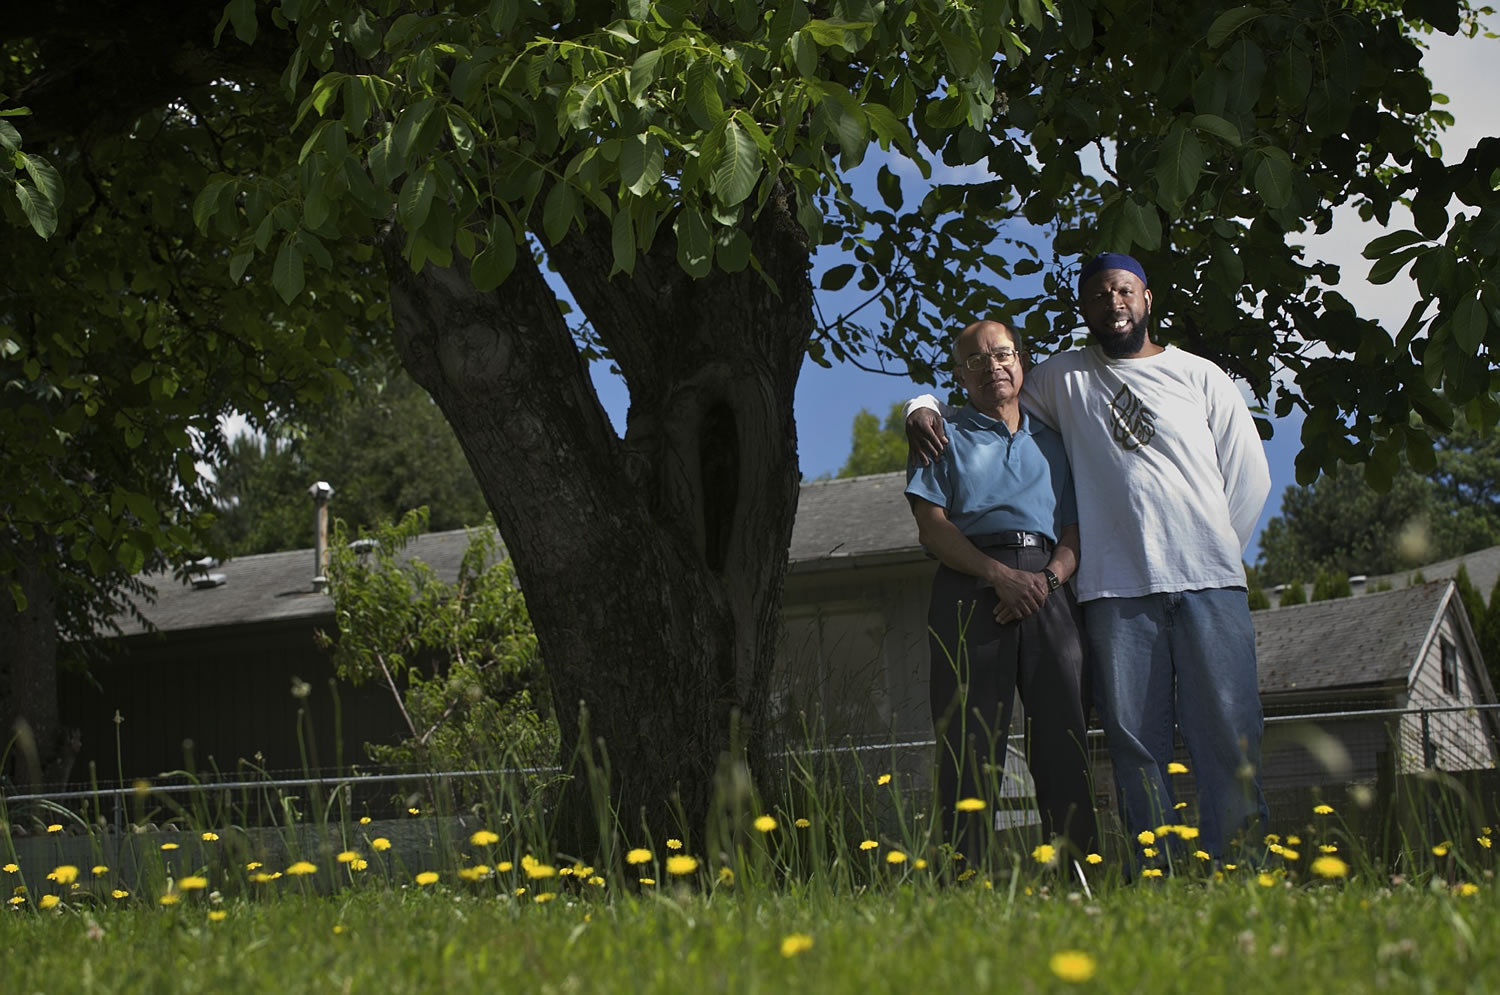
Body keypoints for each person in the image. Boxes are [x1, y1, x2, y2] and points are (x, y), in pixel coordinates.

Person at [905, 253, 1271, 863]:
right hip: (1112, 593)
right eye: (1099, 295)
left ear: (1147, 299)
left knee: (1226, 734)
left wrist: (1209, 551)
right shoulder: (1062, 379)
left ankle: (1242, 871)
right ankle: (1153, 875)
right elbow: (985, 387)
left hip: (1200, 581)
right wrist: (919, 403)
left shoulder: (1201, 375)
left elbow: (1247, 479)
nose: (1113, 302)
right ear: (1085, 309)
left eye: (1124, 291)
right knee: (1132, 744)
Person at [906, 318, 1097, 869]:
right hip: (971, 586)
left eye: (1003, 354)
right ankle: (965, 884)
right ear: (960, 376)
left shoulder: (1055, 441)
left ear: (1022, 360)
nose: (993, 367)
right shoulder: (940, 434)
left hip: (1049, 588)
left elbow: (1076, 529)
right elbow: (932, 526)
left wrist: (1048, 581)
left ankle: (1081, 877)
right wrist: (998, 575)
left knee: (1064, 741)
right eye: (977, 361)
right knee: (969, 746)